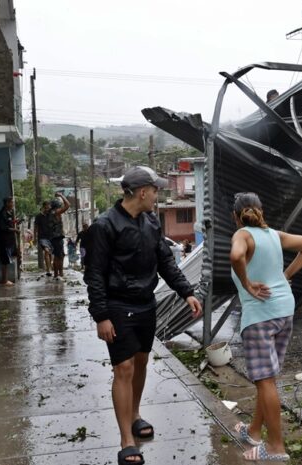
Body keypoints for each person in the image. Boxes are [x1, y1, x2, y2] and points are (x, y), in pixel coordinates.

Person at [84, 166, 202, 465]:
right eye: (156, 190)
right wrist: (101, 315)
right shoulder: (105, 226)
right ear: (142, 192)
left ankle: (135, 414)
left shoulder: (150, 221)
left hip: (145, 304)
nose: (158, 195)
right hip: (117, 306)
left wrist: (186, 291)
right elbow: (94, 274)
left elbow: (165, 261)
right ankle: (126, 439)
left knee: (140, 362)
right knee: (122, 368)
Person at [228, 192, 302, 462]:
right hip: (284, 311)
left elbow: (236, 256)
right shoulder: (274, 235)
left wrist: (246, 283)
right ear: (260, 210)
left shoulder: (242, 235)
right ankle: (254, 431)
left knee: (265, 380)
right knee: (267, 380)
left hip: (260, 316)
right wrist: (286, 275)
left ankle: (276, 447)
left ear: (236, 216)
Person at [0, 197, 18, 286]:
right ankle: (4, 280)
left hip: (8, 240)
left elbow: (8, 224)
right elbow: (3, 227)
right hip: (4, 240)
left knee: (7, 260)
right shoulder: (2, 214)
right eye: (12, 202)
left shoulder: (8, 213)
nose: (13, 204)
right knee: (4, 260)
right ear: (7, 203)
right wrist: (14, 230)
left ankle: (6, 279)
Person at [48, 193, 70, 279]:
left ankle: (57, 274)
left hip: (54, 238)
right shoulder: (56, 212)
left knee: (58, 256)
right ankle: (59, 274)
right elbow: (68, 205)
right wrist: (61, 195)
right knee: (59, 256)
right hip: (57, 237)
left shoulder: (51, 212)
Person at [35, 201, 54, 276]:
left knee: (50, 253)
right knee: (46, 251)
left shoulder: (51, 215)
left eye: (48, 208)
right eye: (46, 208)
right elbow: (36, 227)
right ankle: (48, 270)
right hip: (42, 237)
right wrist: (35, 238)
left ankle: (50, 267)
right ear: (43, 207)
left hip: (51, 237)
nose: (47, 209)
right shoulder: (39, 216)